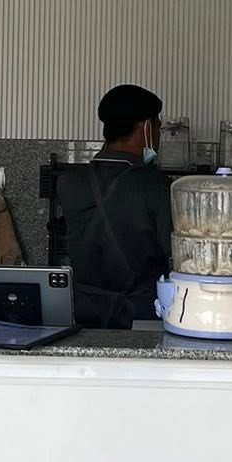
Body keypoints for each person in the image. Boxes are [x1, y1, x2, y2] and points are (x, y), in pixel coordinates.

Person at [56, 83, 172, 328]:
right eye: (159, 126)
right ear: (147, 128)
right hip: (140, 319)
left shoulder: (69, 182)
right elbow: (172, 250)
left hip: (84, 317)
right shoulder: (153, 184)